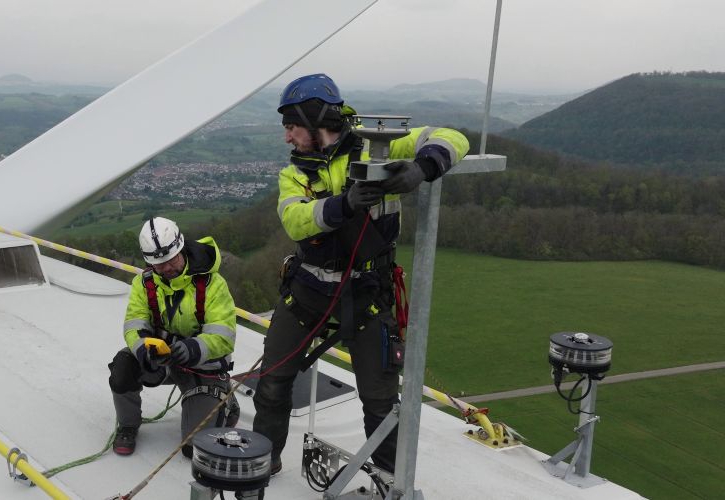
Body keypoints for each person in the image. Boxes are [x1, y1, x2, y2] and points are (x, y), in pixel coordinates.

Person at [251, 73, 469, 474]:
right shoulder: (295, 174)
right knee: (272, 381)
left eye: (292, 127)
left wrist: (423, 168)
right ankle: (263, 461)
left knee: (380, 401)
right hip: (308, 289)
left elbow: (451, 137)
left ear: (315, 120)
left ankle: (388, 478)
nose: (288, 138)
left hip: (369, 293)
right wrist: (345, 204)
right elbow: (297, 221)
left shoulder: (378, 148)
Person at [109, 217, 240, 458]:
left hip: (201, 365)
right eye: (159, 265)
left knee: (194, 449)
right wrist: (141, 349)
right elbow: (134, 323)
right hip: (162, 360)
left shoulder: (212, 283)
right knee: (122, 368)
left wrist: (193, 348)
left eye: (171, 260)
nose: (167, 268)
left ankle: (225, 400)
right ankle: (127, 425)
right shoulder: (145, 283)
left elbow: (224, 334)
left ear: (181, 248)